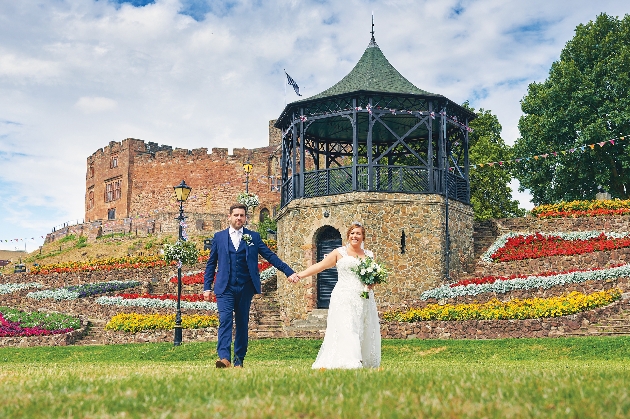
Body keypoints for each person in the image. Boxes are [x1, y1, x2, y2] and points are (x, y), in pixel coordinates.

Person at [204, 203, 299, 368]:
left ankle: (239, 359)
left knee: (242, 323)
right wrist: (207, 287)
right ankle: (224, 358)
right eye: (236, 215)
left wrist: (288, 271)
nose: (239, 218)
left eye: (242, 215)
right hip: (224, 287)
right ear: (229, 217)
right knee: (225, 320)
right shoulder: (219, 237)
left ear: (245, 218)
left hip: (245, 286)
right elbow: (211, 263)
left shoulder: (253, 237)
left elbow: (270, 256)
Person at [294, 222, 381, 369]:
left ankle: (363, 359)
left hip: (364, 297)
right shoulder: (339, 252)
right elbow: (319, 266)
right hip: (344, 296)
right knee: (347, 326)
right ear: (348, 236)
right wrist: (300, 275)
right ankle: (350, 361)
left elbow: (373, 276)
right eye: (352, 233)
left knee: (363, 326)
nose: (355, 236)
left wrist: (372, 283)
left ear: (363, 237)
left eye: (358, 233)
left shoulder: (369, 255)